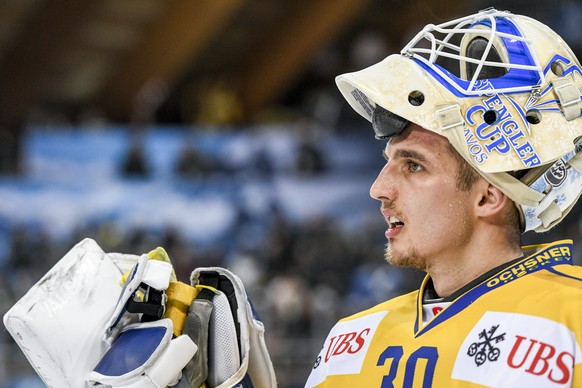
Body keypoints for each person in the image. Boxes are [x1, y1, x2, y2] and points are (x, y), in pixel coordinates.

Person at [305, 8, 582, 387]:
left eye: (414, 166)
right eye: (388, 162)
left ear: (489, 196)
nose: (378, 190)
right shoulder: (350, 339)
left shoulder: (572, 323)